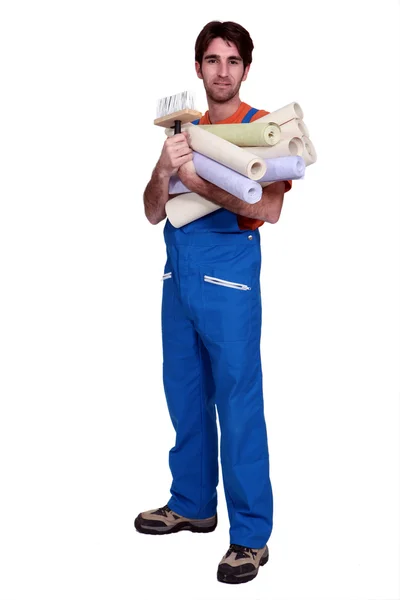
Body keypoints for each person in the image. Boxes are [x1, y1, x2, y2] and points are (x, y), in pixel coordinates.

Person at [135, 20, 292, 585]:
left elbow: (268, 208)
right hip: (178, 275)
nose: (221, 71)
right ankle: (193, 503)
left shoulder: (263, 129)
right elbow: (154, 210)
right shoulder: (184, 129)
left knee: (238, 402)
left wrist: (195, 179)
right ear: (197, 67)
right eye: (211, 60)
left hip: (228, 280)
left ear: (245, 68)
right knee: (184, 393)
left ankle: (250, 537)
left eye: (232, 61)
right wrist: (163, 167)